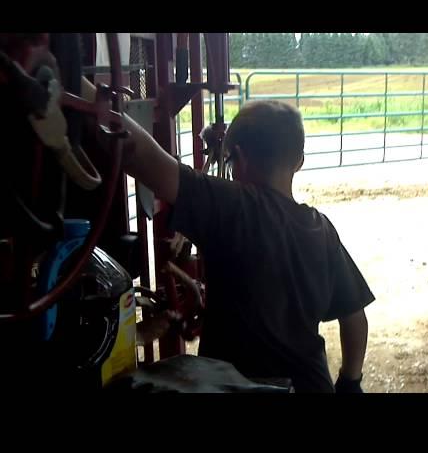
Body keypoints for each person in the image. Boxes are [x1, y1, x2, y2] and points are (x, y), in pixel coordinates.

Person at [122, 99, 375, 393]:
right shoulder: (321, 228)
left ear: (238, 161)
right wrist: (350, 380)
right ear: (299, 161)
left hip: (241, 386)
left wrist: (77, 88)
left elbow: (140, 156)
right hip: (311, 384)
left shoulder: (233, 206)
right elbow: (355, 317)